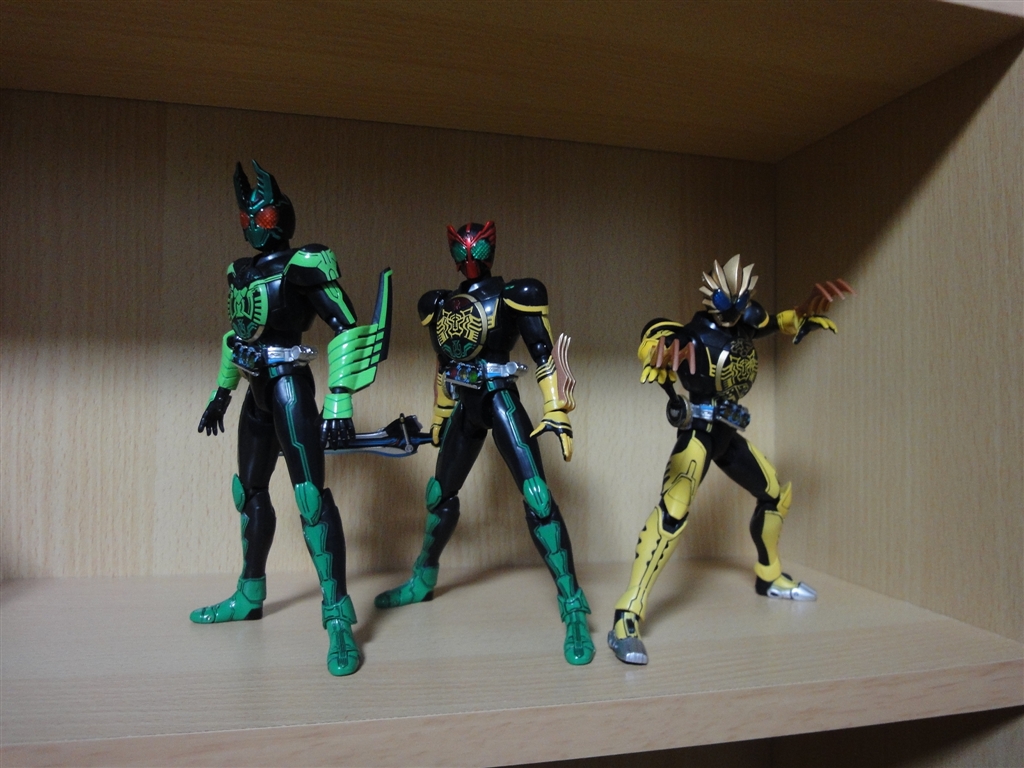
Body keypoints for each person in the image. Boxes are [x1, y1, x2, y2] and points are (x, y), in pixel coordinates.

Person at [193, 160, 389, 677]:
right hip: (256, 392)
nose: (257, 225)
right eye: (248, 217)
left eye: (265, 215)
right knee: (249, 492)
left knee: (309, 499)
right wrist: (220, 393)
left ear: (283, 214)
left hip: (288, 387)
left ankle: (338, 616)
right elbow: (237, 338)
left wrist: (340, 399)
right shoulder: (240, 272)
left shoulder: (304, 265)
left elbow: (347, 328)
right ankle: (248, 593)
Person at [608, 254, 853, 665]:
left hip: (726, 434)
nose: (734, 312)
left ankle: (769, 575)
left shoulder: (744, 319)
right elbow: (655, 337)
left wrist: (800, 316)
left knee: (774, 494)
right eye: (725, 303)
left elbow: (772, 322)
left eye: (740, 303)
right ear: (710, 298)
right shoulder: (693, 334)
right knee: (672, 514)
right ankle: (626, 615)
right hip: (698, 434)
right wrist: (660, 352)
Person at [374, 221, 595, 665]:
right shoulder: (440, 303)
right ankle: (423, 579)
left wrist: (555, 409)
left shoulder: (515, 294)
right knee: (439, 496)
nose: (470, 255)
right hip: (466, 404)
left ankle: (572, 603)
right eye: (462, 248)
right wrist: (440, 417)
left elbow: (544, 354)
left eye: (477, 247)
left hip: (499, 399)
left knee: (537, 496)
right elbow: (444, 364)